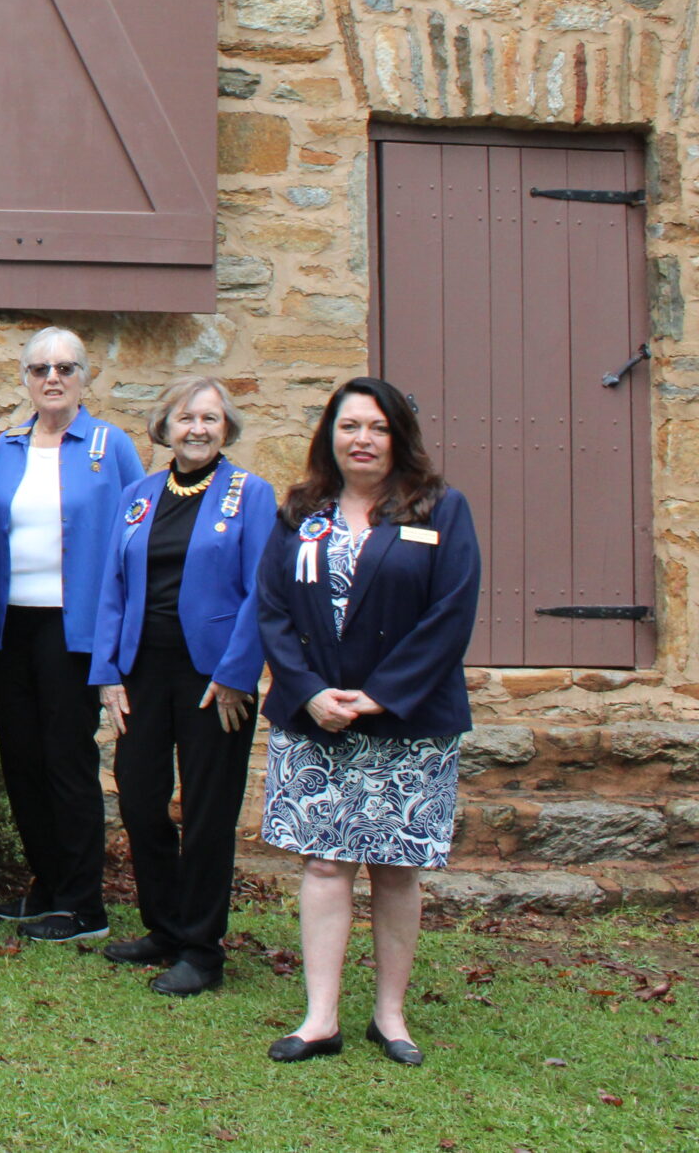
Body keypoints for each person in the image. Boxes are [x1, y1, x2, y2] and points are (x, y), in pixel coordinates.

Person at [256, 377, 481, 1066]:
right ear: (330, 434)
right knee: (325, 863)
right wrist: (309, 690)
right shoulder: (301, 510)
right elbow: (271, 608)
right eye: (349, 425)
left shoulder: (440, 508)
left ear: (399, 436)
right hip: (317, 718)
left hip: (407, 721)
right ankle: (320, 1016)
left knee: (395, 869)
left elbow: (453, 612)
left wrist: (380, 694)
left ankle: (391, 1015)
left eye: (377, 427)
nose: (362, 438)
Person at [91, 376, 277, 996]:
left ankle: (202, 948)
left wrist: (236, 674)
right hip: (143, 673)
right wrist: (108, 674)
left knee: (206, 812)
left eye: (211, 419)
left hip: (213, 680)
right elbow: (112, 586)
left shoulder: (249, 495)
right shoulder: (140, 495)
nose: (197, 428)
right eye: (186, 417)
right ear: (164, 426)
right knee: (141, 803)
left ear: (227, 429)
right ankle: (164, 928)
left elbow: (263, 593)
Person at [0, 326, 145, 944]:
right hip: (10, 625)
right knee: (22, 759)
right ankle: (47, 887)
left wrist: (119, 637)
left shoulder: (112, 446)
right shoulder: (7, 446)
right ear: (24, 378)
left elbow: (133, 539)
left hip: (73, 628)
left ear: (85, 378)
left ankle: (84, 905)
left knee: (68, 761)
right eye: (40, 368)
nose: (53, 378)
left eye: (66, 368)